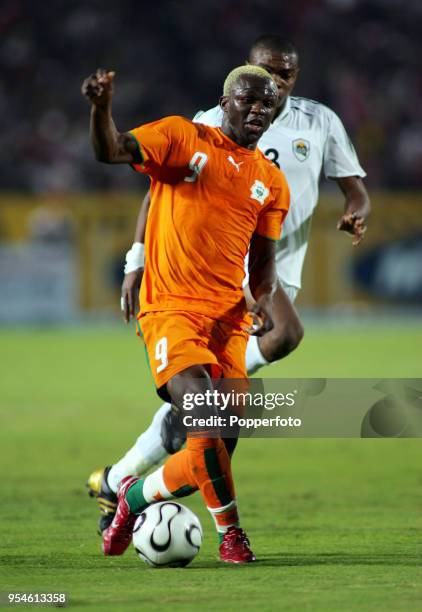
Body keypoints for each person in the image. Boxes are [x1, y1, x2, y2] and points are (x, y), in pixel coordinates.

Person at [87, 34, 371, 531]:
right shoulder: (212, 121)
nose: (272, 86)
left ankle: (122, 480)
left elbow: (356, 190)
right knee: (281, 339)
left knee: (218, 410)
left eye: (282, 77)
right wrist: (137, 258)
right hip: (217, 266)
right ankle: (212, 510)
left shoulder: (319, 121)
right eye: (263, 74)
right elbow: (157, 187)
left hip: (275, 265)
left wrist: (356, 211)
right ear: (242, 74)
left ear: (294, 80)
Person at [82, 64, 290, 562]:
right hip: (170, 309)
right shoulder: (181, 137)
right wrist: (101, 108)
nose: (259, 109)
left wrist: (262, 301)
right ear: (225, 102)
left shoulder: (272, 182)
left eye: (268, 104)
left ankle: (130, 499)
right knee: (202, 415)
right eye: (248, 99)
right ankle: (233, 537)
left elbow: (261, 267)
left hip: (228, 322)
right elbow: (111, 150)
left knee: (212, 454)